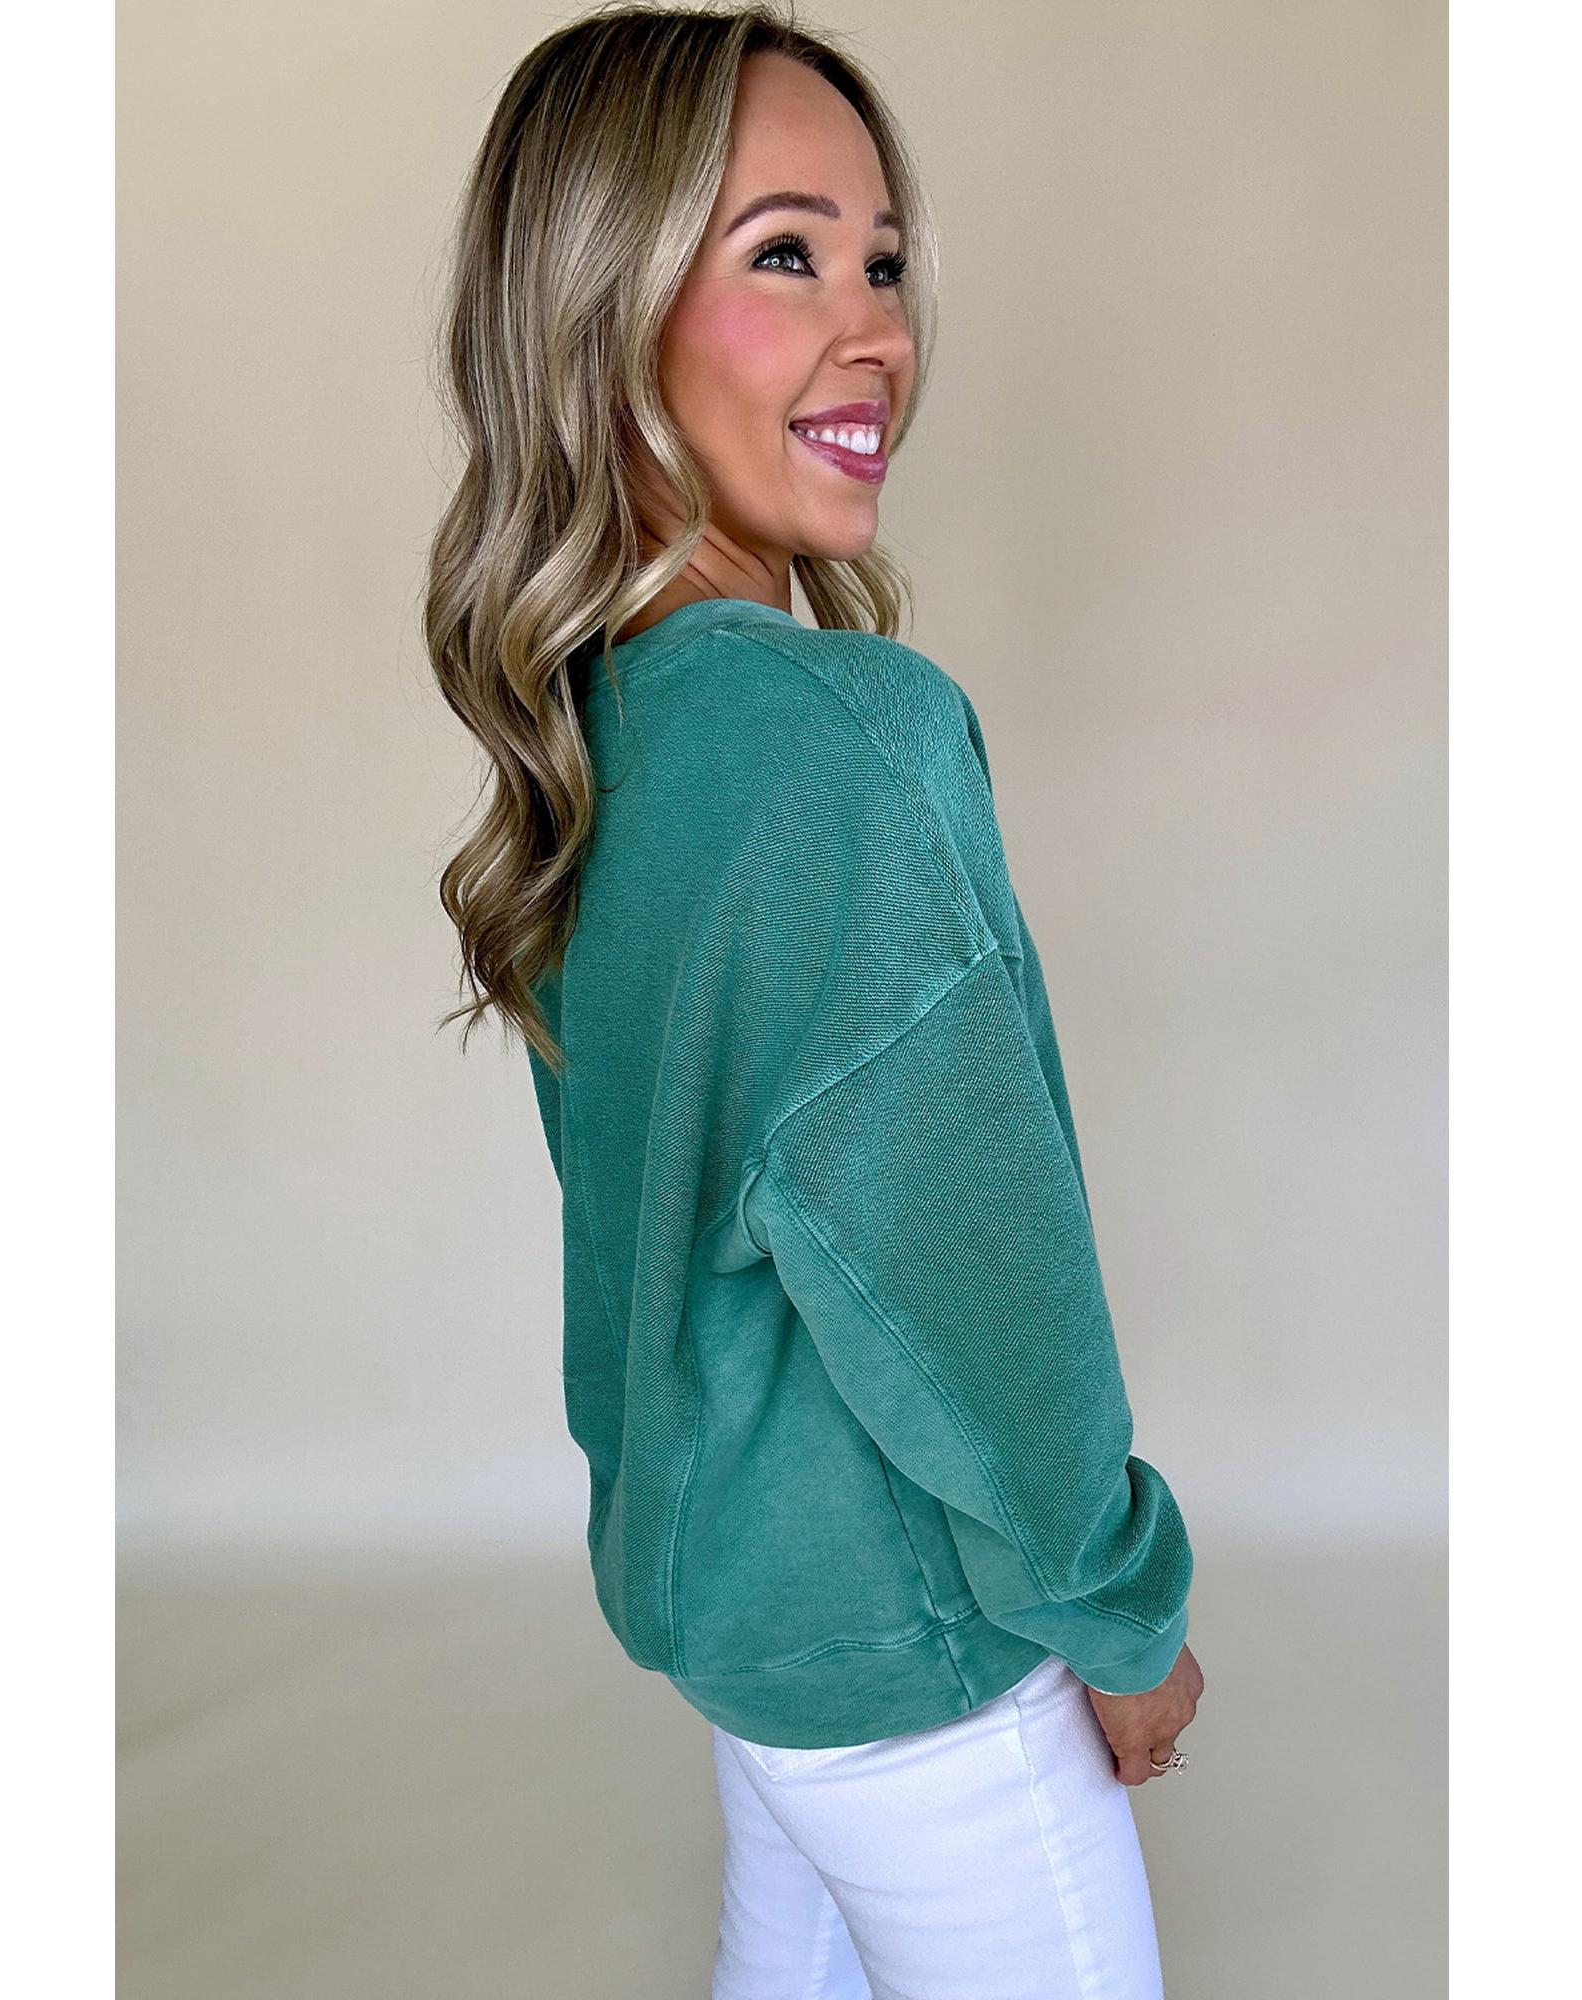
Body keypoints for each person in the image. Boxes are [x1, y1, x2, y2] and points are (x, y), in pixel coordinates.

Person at [422, 6, 1205, 1994]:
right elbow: (968, 1286)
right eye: (784, 253)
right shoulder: (840, 742)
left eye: (883, 261)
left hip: (745, 1631)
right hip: (920, 1662)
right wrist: (1120, 1607)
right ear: (603, 312)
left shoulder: (601, 740)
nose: (877, 333)